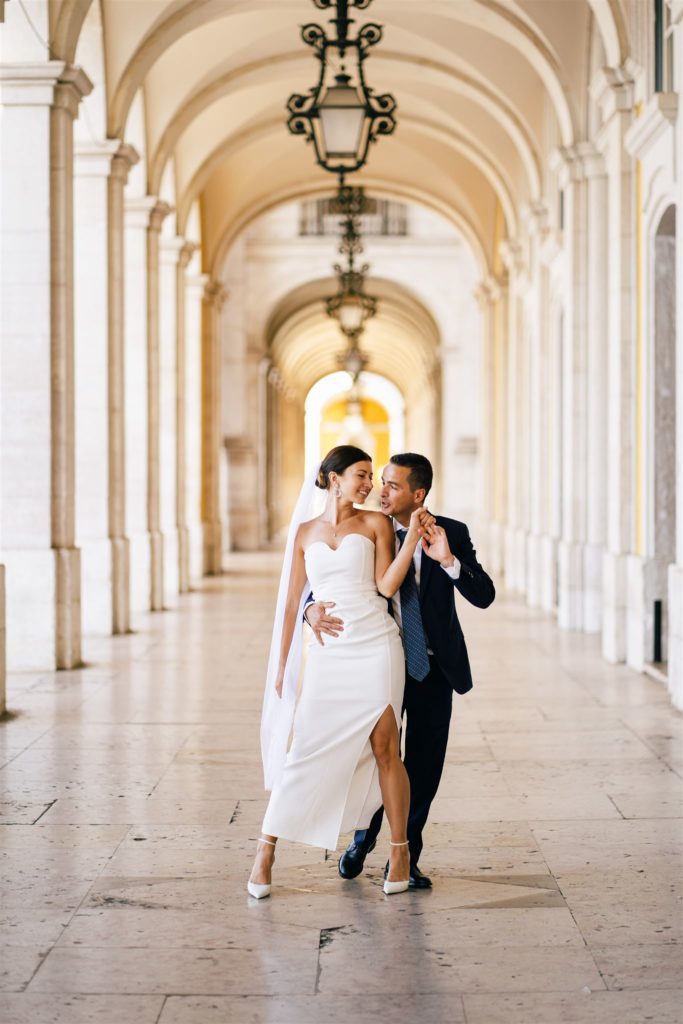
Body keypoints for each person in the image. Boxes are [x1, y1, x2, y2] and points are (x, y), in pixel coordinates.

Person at [248, 445, 436, 900]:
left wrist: (410, 537)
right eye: (361, 474)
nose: (370, 484)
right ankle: (265, 851)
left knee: (386, 747)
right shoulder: (304, 533)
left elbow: (385, 585)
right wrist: (282, 668)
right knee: (305, 746)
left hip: (376, 646)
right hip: (330, 653)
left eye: (372, 476)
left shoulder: (374, 524)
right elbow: (294, 601)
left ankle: (399, 852)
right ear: (333, 477)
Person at [305, 453, 495, 889]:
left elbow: (484, 595)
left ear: (419, 494)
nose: (380, 491)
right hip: (379, 661)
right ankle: (363, 838)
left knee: (424, 769)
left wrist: (448, 561)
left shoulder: (452, 532)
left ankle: (403, 858)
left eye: (391, 485)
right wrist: (309, 610)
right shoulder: (368, 529)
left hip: (434, 668)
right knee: (381, 759)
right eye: (379, 481)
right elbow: (320, 577)